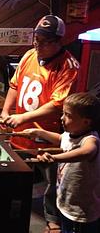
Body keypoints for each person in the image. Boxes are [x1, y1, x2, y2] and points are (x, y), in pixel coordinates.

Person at [0, 15, 79, 232]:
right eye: (37, 39)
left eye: (45, 41)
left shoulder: (69, 65)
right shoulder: (29, 54)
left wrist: (23, 118)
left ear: (59, 41)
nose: (38, 45)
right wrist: (6, 111)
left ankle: (52, 218)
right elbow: (14, 85)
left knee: (53, 180)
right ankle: (9, 211)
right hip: (20, 132)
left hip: (48, 135)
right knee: (16, 174)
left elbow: (57, 105)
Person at [24, 92, 100, 233]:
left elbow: (88, 151)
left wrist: (55, 158)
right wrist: (39, 132)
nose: (62, 118)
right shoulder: (70, 134)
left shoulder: (90, 139)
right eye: (63, 113)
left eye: (68, 115)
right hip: (67, 202)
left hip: (81, 212)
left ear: (86, 122)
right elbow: (61, 139)